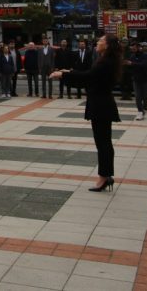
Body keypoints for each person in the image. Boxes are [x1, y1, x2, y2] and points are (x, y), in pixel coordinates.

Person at [50, 34, 123, 192]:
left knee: (103, 143)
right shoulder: (106, 60)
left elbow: (88, 77)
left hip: (101, 105)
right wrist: (69, 72)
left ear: (108, 45)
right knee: (104, 142)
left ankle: (104, 177)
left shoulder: (106, 62)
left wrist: (64, 74)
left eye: (101, 41)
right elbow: (89, 77)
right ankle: (106, 175)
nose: (98, 42)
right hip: (101, 103)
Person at [127, 42, 147, 120]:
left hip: (146, 79)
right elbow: (131, 67)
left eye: (134, 48)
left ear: (138, 48)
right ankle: (140, 111)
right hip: (136, 79)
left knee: (145, 96)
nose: (133, 49)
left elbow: (144, 65)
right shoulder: (132, 56)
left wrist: (132, 64)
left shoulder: (146, 55)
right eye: (132, 48)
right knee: (138, 96)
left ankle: (145, 109)